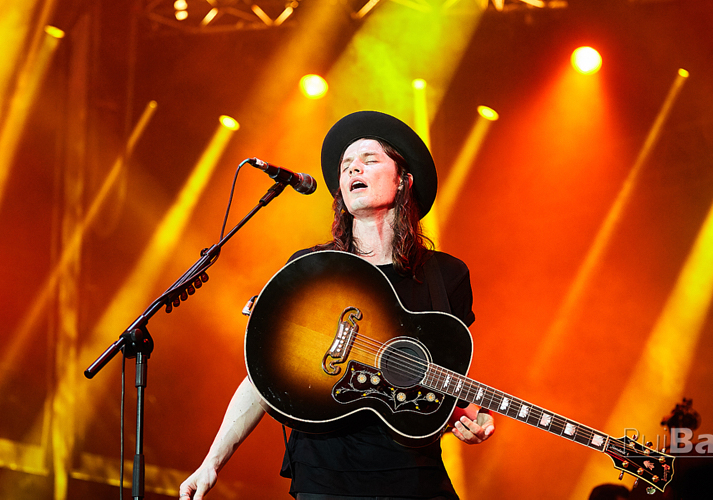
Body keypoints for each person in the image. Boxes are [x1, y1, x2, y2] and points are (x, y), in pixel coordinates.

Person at [181, 110, 495, 500]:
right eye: (346, 165)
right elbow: (264, 377)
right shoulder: (312, 269)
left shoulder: (446, 275)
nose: (352, 169)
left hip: (416, 475)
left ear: (404, 180)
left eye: (369, 160)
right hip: (325, 478)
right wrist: (212, 462)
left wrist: (472, 416)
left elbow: (444, 383)